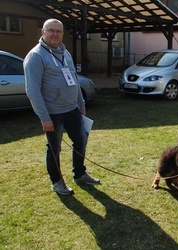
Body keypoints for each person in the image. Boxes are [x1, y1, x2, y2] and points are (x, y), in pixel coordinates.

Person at [24, 18, 100, 195]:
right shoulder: (36, 56)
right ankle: (57, 182)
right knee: (54, 149)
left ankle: (80, 174)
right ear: (43, 32)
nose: (55, 34)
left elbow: (73, 80)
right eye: (51, 30)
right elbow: (32, 90)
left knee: (81, 141)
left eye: (59, 31)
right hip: (53, 113)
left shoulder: (65, 54)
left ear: (62, 34)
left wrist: (81, 105)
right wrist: (44, 117)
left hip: (72, 109)